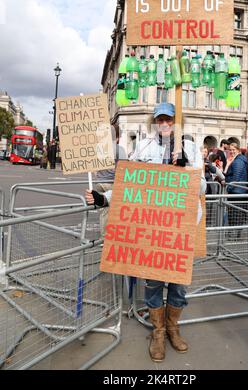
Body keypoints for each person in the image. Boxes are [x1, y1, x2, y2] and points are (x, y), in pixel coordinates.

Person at [86, 102, 206, 363]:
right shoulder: (143, 147)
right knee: (153, 284)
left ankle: (173, 328)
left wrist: (185, 171)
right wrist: (103, 198)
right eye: (160, 120)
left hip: (181, 228)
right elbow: (131, 183)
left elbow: (203, 186)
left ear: (175, 121)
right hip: (152, 228)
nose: (164, 124)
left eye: (168, 119)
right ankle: (158, 333)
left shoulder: (192, 147)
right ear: (155, 122)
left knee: (179, 285)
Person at [224, 143, 248, 236]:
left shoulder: (238, 161)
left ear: (238, 150)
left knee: (234, 213)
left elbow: (236, 177)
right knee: (236, 212)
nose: (231, 151)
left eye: (233, 150)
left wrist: (229, 188)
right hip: (238, 190)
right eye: (230, 150)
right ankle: (236, 233)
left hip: (236, 190)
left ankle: (234, 233)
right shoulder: (239, 159)